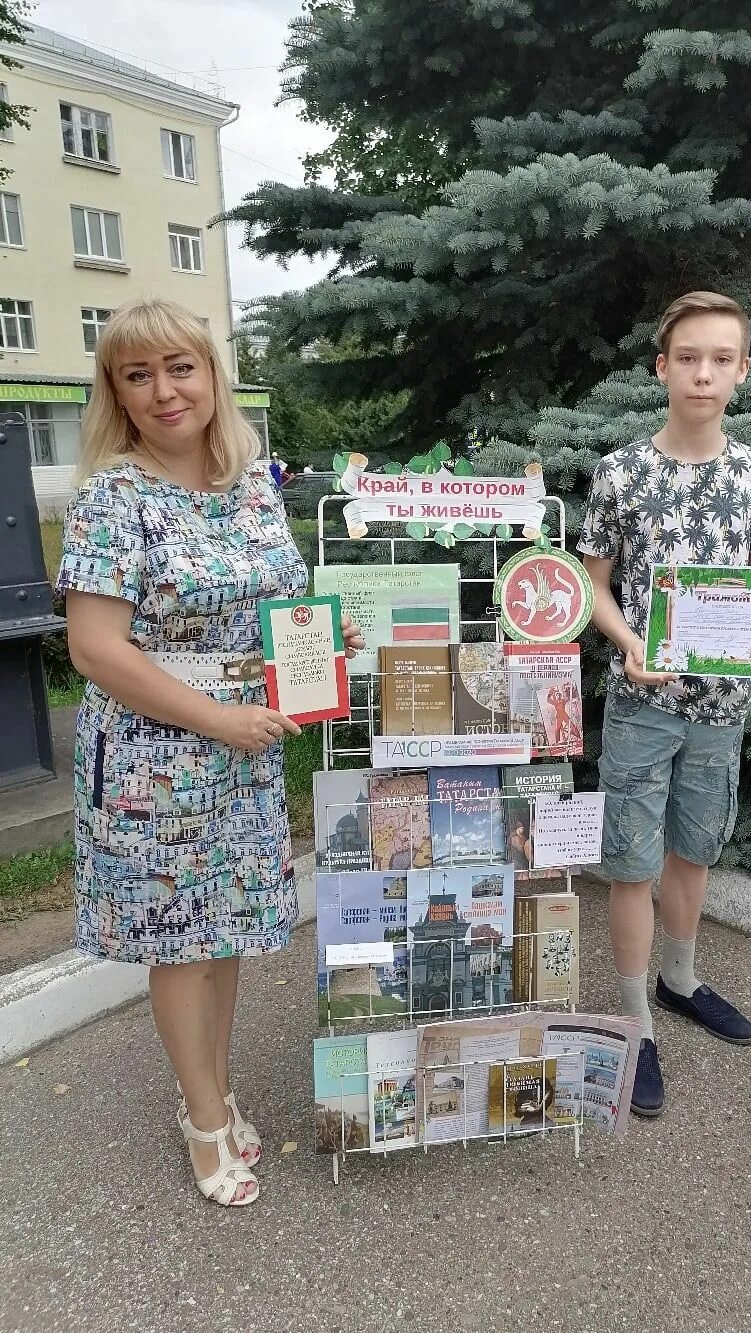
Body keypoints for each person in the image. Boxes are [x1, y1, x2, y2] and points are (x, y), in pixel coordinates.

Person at [56, 298, 364, 1207]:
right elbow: (96, 650)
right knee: (179, 944)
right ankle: (200, 1120)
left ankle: (217, 1090)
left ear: (213, 373)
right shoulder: (116, 496)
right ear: (115, 390)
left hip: (244, 746)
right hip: (157, 754)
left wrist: (303, 679)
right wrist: (217, 717)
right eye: (137, 374)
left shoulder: (251, 482)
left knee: (222, 933)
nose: (163, 390)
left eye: (179, 367)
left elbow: (279, 608)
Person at [578, 291, 751, 1117]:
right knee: (630, 859)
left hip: (722, 706)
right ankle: (633, 1017)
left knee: (694, 849)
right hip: (642, 703)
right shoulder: (622, 471)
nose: (703, 372)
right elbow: (593, 584)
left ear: (743, 372)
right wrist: (628, 644)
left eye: (722, 358)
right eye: (688, 356)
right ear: (661, 367)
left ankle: (680, 979)